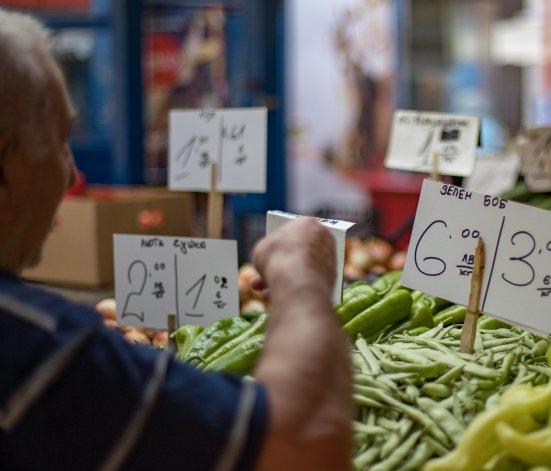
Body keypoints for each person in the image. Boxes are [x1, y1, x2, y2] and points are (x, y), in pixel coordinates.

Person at [0, 9, 352, 470]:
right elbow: (303, 440)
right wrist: (301, 277)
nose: (71, 174)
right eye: (60, 140)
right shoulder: (37, 350)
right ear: (8, 162)